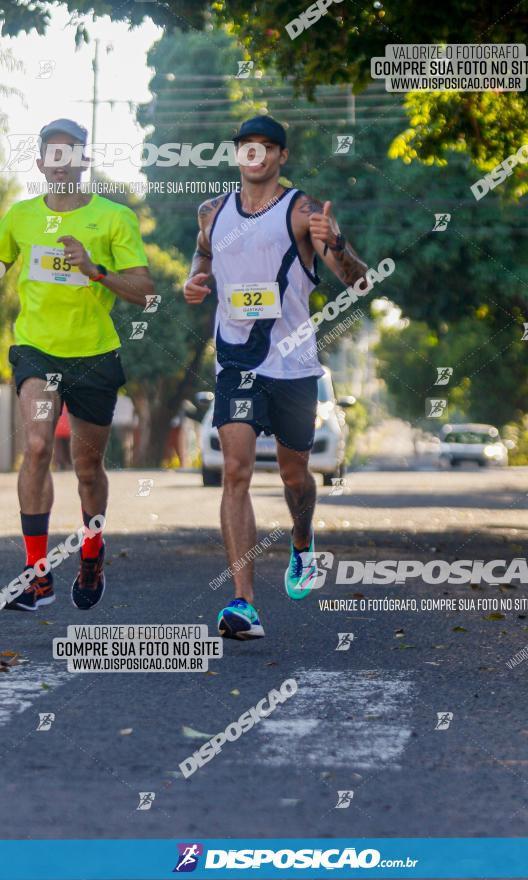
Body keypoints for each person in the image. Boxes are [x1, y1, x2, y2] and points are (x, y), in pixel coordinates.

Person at [183, 115, 367, 640]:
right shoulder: (212, 211)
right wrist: (195, 279)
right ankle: (243, 603)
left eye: (267, 148)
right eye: (247, 147)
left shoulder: (302, 211)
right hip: (236, 364)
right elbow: (202, 252)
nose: (256, 156)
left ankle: (303, 539)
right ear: (237, 154)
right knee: (235, 471)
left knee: (293, 476)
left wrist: (337, 242)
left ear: (282, 157)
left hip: (292, 365)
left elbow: (357, 281)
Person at [0, 118, 154, 611]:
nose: (62, 163)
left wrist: (94, 270)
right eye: (53, 154)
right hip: (36, 351)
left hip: (93, 355)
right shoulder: (18, 217)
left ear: (84, 161)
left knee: (88, 467)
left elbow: (145, 291)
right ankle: (36, 572)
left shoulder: (114, 218)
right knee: (40, 444)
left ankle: (91, 551)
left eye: (72, 154)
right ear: (41, 162)